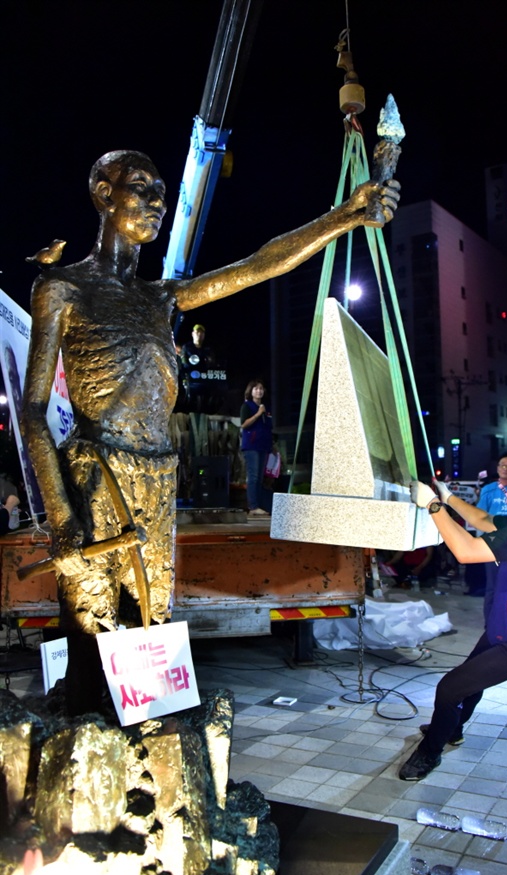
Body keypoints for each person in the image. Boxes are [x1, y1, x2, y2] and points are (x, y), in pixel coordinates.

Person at [21, 149, 399, 713]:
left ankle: (153, 743)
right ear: (103, 192)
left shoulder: (160, 296)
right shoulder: (63, 289)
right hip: (96, 472)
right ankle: (82, 741)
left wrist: (344, 216)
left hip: (156, 471)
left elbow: (259, 264)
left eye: (162, 194)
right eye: (140, 188)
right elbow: (31, 411)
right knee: (91, 620)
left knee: (152, 615)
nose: (155, 204)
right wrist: (62, 516)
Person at [398, 456, 507, 781]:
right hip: (505, 630)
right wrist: (449, 498)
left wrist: (433, 506)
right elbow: (483, 519)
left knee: (448, 689)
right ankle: (452, 730)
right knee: (469, 682)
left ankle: (428, 754)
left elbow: (465, 551)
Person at [477, 452, 507, 623]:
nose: (506, 468)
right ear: (497, 468)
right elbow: (479, 516)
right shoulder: (488, 490)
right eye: (502, 465)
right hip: (494, 544)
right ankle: (490, 623)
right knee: (492, 586)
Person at [240, 380, 273, 517]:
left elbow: (268, 427)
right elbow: (244, 424)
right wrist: (258, 414)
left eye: (261, 389)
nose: (259, 391)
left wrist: (272, 446)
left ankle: (259, 505)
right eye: (256, 389)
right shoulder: (247, 406)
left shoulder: (266, 408)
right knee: (253, 477)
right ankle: (252, 506)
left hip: (263, 446)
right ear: (251, 391)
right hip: (251, 446)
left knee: (259, 478)